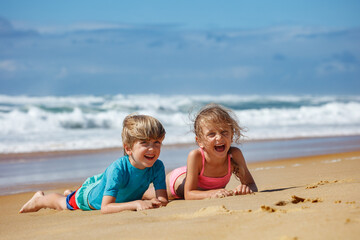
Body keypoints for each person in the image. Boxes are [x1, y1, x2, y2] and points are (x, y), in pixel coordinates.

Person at [19, 114, 168, 214]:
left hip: (104, 185)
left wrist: (157, 201)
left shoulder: (158, 166)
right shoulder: (118, 169)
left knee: (83, 191)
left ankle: (70, 192)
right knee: (63, 203)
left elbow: (162, 199)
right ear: (128, 148)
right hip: (89, 198)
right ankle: (40, 199)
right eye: (144, 143)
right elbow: (105, 207)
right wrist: (136, 204)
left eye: (157, 142)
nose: (152, 148)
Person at [167, 103, 257, 200]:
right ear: (200, 141)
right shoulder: (195, 156)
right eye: (211, 134)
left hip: (192, 173)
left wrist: (245, 188)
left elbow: (252, 185)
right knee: (151, 194)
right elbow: (188, 194)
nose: (219, 137)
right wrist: (211, 194)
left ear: (231, 136)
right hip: (175, 183)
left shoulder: (234, 155)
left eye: (224, 132)